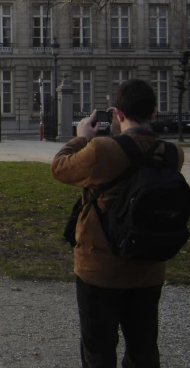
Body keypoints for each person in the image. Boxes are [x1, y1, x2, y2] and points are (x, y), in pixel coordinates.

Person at [51, 79, 185, 368]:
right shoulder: (173, 153)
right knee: (143, 348)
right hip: (148, 265)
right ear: (154, 112)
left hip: (100, 268)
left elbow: (60, 167)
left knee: (98, 350)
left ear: (118, 114)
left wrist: (82, 137)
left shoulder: (102, 150)